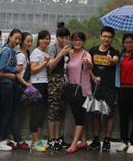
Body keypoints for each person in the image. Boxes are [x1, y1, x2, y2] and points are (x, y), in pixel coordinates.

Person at [0, 29, 22, 151]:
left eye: (19, 39)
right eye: (15, 38)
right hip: (7, 84)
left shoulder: (8, 50)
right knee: (6, 112)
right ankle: (0, 139)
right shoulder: (7, 50)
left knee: (0, 112)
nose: (17, 41)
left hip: (6, 84)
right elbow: (2, 67)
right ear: (10, 37)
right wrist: (15, 70)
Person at [88, 26, 119, 152]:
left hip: (110, 87)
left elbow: (115, 60)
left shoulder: (114, 52)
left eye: (109, 37)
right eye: (105, 36)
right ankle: (96, 139)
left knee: (109, 114)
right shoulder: (93, 50)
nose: (106, 39)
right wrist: (93, 77)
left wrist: (111, 60)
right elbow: (89, 67)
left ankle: (107, 140)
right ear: (100, 36)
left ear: (112, 39)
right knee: (96, 113)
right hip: (96, 87)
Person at [65, 32, 93, 154]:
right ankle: (84, 141)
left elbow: (90, 66)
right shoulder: (69, 53)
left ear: (83, 42)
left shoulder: (86, 55)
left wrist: (88, 63)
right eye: (75, 40)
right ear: (72, 41)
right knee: (79, 115)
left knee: (79, 118)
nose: (77, 42)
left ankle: (74, 144)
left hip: (82, 91)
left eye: (80, 40)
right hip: (71, 89)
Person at [115, 33, 133, 154]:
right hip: (123, 89)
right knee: (123, 116)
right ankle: (124, 141)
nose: (129, 44)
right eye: (126, 42)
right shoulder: (120, 56)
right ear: (123, 44)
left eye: (131, 42)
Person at [47, 22, 71, 150]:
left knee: (61, 111)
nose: (64, 40)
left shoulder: (69, 50)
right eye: (62, 37)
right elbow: (50, 66)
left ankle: (58, 137)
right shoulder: (53, 48)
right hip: (54, 82)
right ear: (57, 37)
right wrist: (61, 53)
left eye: (67, 37)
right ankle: (51, 138)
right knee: (53, 111)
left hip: (65, 82)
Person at [29, 30, 51, 152]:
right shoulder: (35, 52)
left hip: (43, 83)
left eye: (47, 38)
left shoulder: (45, 52)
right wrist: (45, 62)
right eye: (43, 38)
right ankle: (35, 141)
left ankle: (38, 139)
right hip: (34, 84)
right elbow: (33, 70)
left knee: (41, 112)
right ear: (39, 40)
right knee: (35, 112)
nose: (45, 41)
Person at [9, 32, 32, 150]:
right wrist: (26, 84)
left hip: (23, 86)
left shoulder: (26, 54)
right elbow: (17, 73)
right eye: (27, 41)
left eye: (31, 41)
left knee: (20, 112)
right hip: (19, 87)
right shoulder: (21, 55)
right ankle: (16, 139)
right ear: (22, 42)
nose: (30, 43)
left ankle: (16, 138)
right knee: (17, 113)